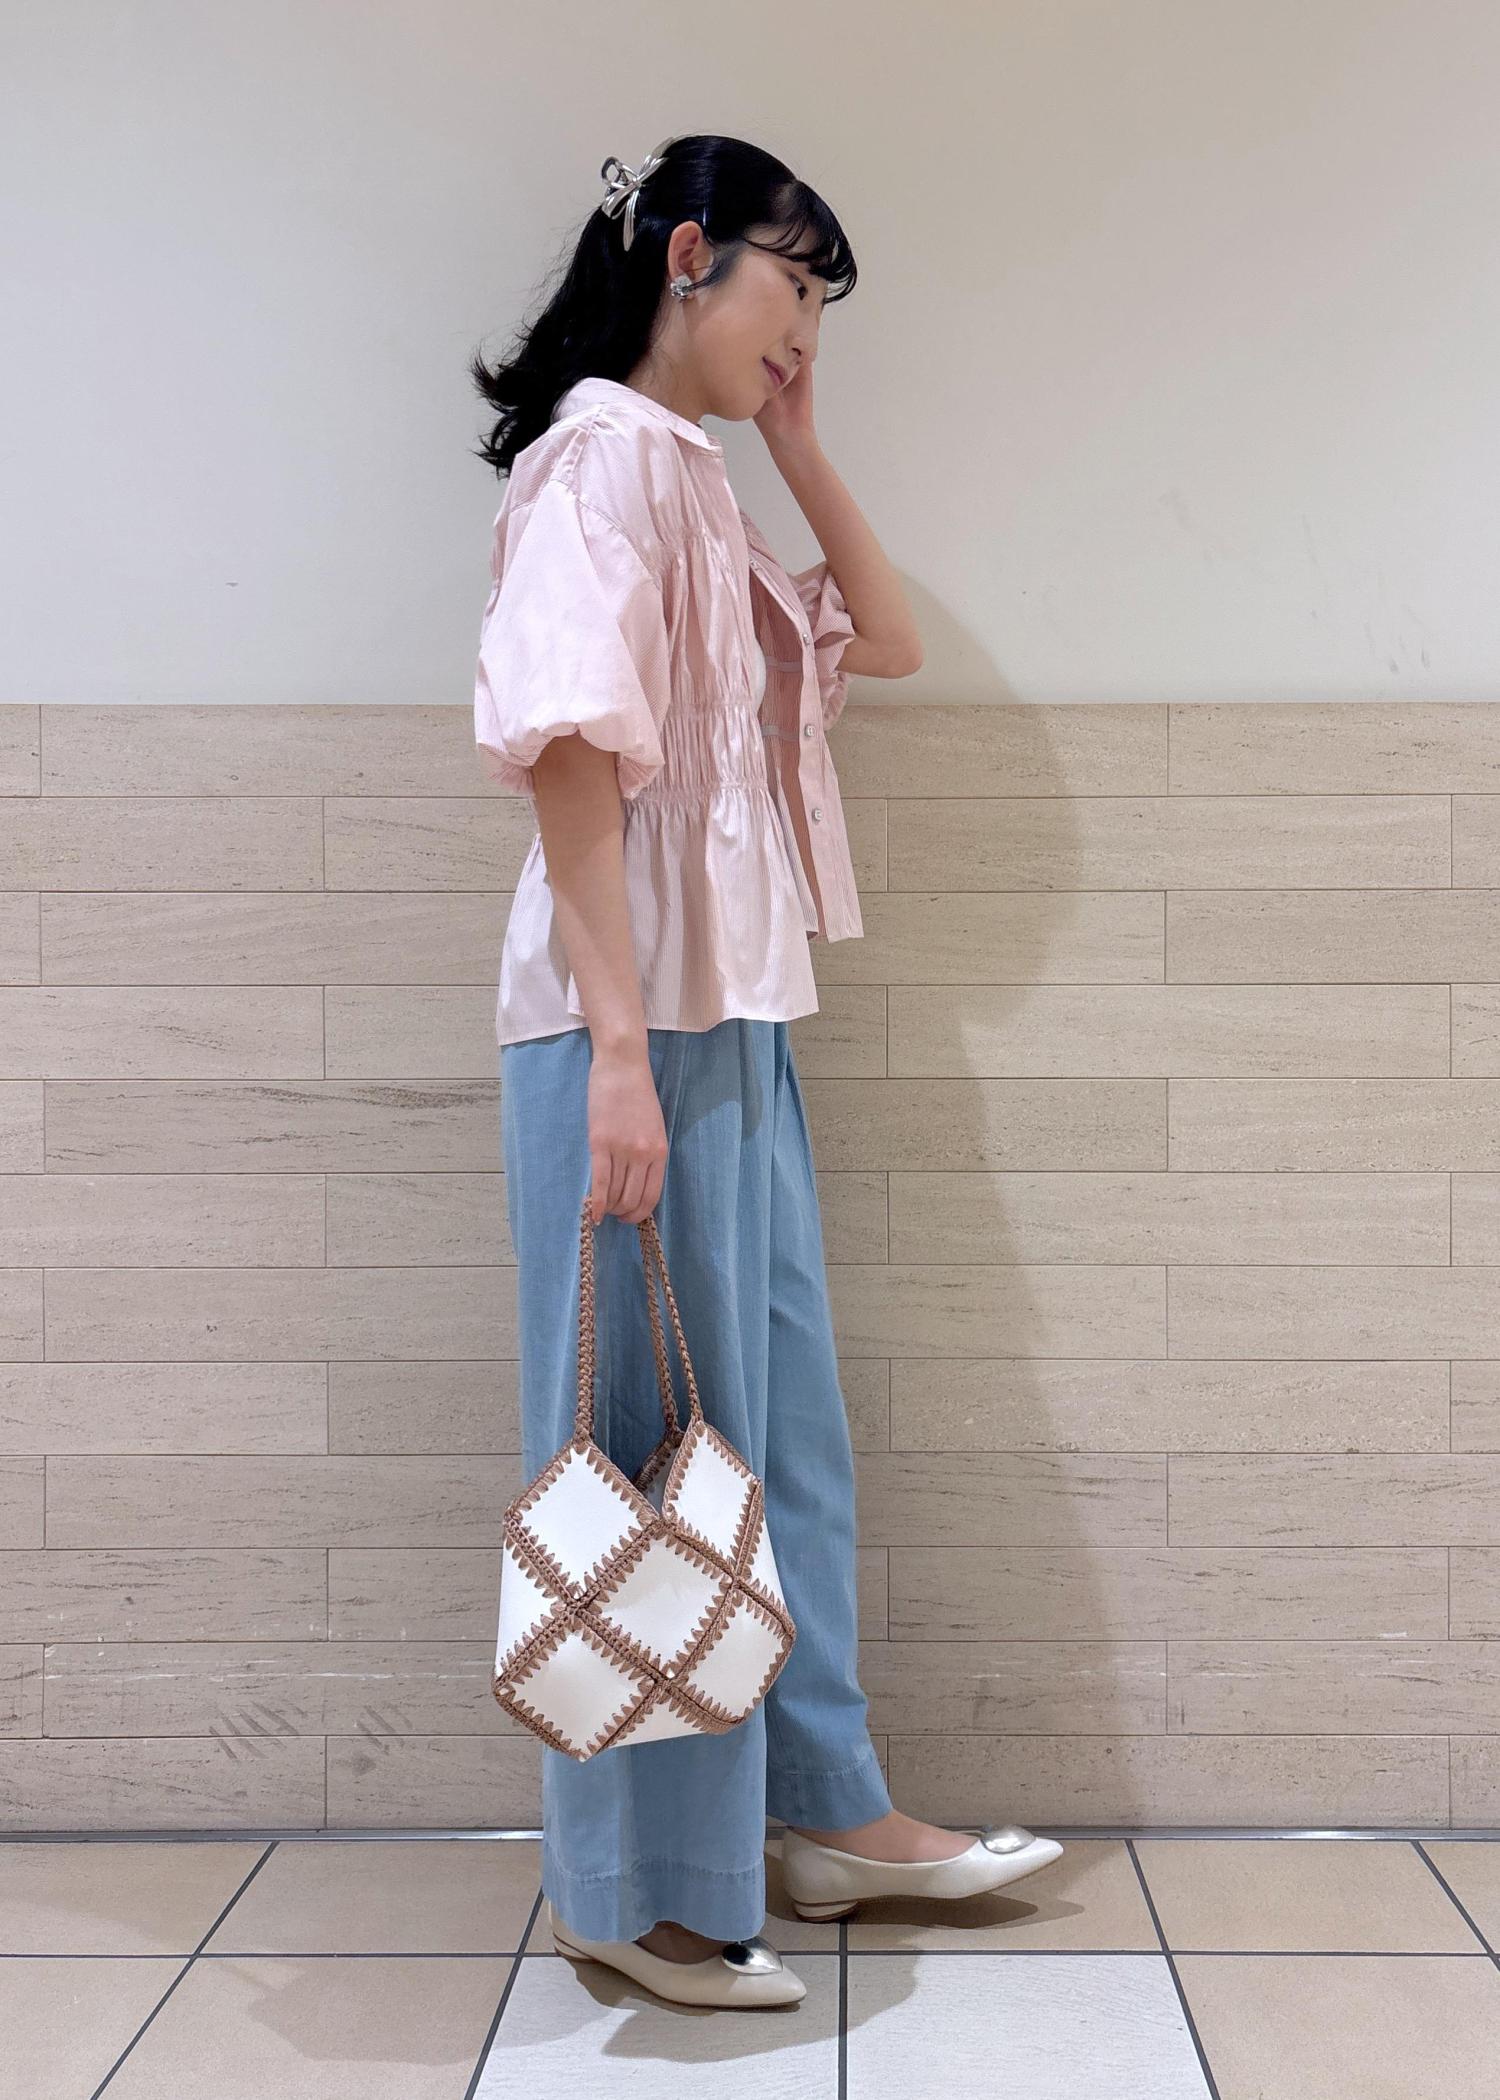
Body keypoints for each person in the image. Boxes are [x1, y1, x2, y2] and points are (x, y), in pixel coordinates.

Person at [469, 133, 1063, 2010]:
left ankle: (823, 1810)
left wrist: (799, 442)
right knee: (646, 1455)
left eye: (821, 302)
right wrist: (618, 1054)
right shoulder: (596, 460)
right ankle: (635, 1887)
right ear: (689, 256)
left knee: (774, 1435)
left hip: (729, 1017)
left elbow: (881, 639)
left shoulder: (696, 478)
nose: (805, 325)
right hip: (629, 1028)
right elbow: (571, 756)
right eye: (793, 285)